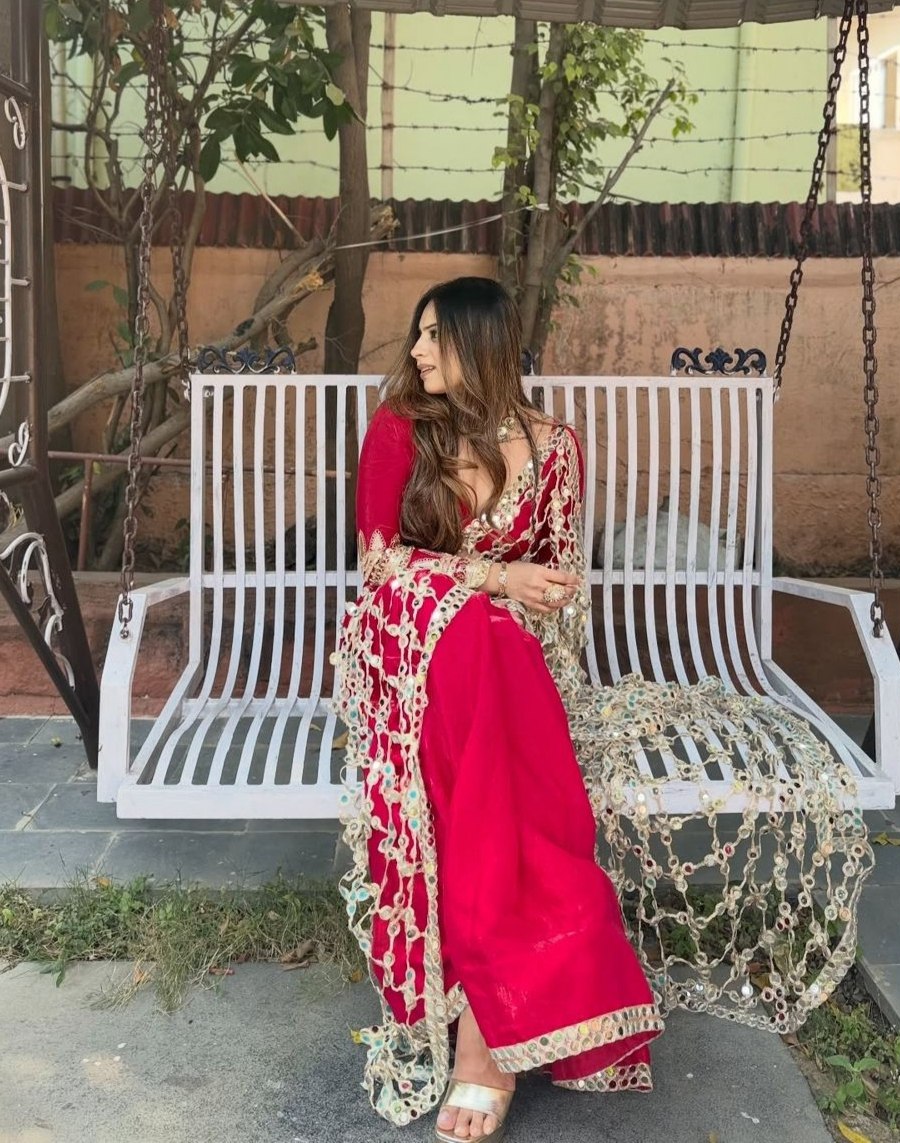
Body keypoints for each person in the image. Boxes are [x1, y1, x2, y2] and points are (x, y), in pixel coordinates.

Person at [332, 276, 664, 1142]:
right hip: (407, 648)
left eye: (435, 336)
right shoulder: (401, 426)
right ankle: (491, 1033)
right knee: (485, 631)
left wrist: (534, 590)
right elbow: (378, 563)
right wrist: (491, 580)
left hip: (509, 666)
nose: (416, 352)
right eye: (418, 335)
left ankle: (486, 1025)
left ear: (481, 343)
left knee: (502, 652)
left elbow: (557, 573)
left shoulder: (555, 447)